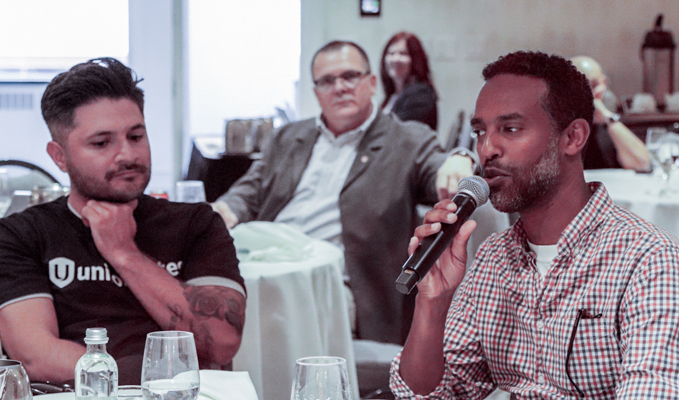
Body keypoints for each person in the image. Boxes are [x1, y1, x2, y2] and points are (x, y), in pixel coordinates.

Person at [390, 51, 679, 398]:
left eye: (510, 129)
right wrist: (433, 303)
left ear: (573, 137)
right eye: (480, 131)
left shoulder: (649, 261)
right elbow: (431, 393)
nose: (487, 149)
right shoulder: (493, 259)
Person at [0, 58, 247, 385]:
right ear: (59, 156)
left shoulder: (197, 223)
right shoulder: (21, 235)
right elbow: (36, 358)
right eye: (102, 143)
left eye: (135, 136)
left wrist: (124, 253)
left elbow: (220, 343)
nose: (127, 155)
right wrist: (158, 376)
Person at [212, 40, 474, 345]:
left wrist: (460, 159)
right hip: (271, 265)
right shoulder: (288, 137)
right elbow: (249, 190)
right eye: (327, 80)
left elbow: (439, 168)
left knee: (258, 323)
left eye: (350, 76)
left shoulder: (406, 140)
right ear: (316, 92)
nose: (339, 87)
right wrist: (224, 210)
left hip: (340, 287)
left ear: (372, 82)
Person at [571, 56, 651, 172]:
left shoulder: (612, 121)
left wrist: (608, 118)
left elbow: (642, 163)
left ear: (604, 83)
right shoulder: (557, 124)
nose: (588, 94)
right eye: (579, 87)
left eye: (594, 86)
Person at [380, 32, 438, 131]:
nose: (396, 59)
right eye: (391, 53)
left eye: (403, 54)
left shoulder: (420, 95)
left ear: (415, 59)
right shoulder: (394, 95)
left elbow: (397, 134)